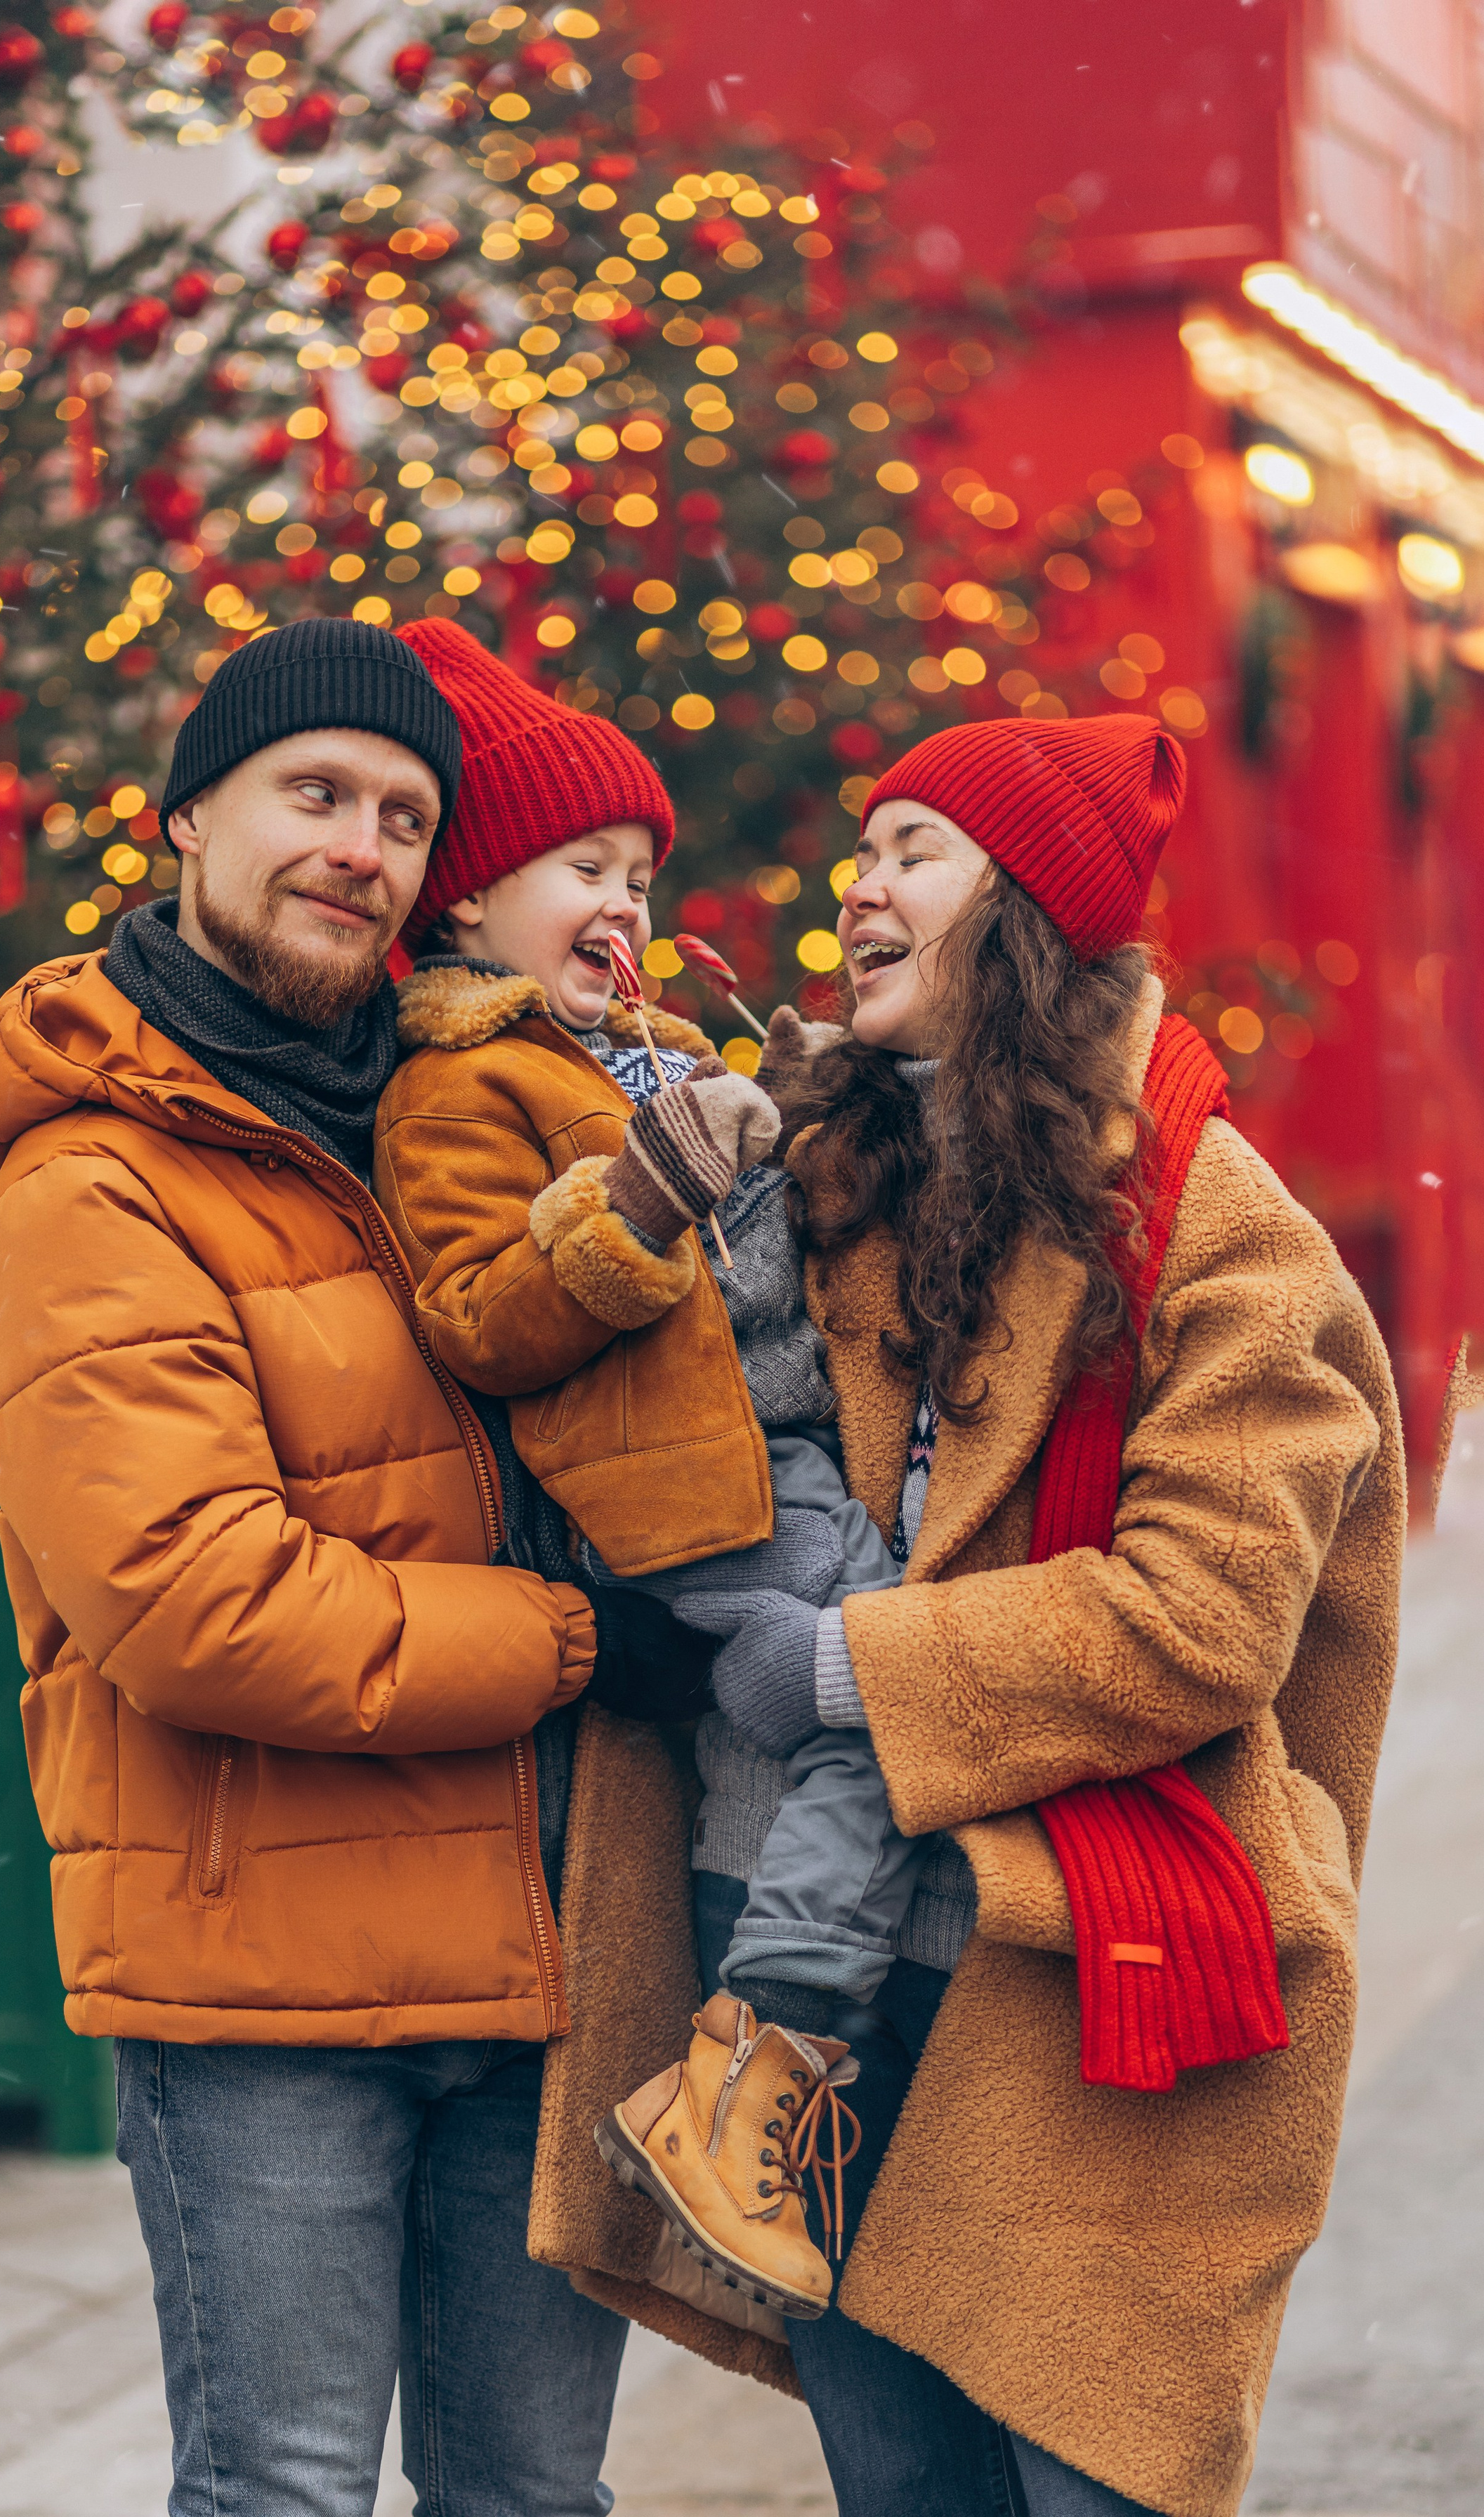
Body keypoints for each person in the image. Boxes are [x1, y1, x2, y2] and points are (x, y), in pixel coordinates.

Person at [562, 709, 1402, 2517]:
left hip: (1077, 1970)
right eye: (858, 851)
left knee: (1089, 2464)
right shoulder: (823, 1169)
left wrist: (849, 1663)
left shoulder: (1213, 1226)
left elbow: (1202, 1619)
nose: (857, 888)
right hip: (807, 1980)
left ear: (1022, 909)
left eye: (911, 850)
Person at [0, 617, 699, 2517]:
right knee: (281, 2488)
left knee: (531, 2497)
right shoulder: (89, 1186)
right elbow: (202, 1604)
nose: (359, 844)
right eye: (314, 793)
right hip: (262, 1991)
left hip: (537, 1949)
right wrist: (581, 1642)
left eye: (402, 814)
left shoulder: (464, 1112)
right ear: (190, 816)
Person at [372, 619, 930, 2327]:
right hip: (690, 1500)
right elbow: (483, 1315)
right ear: (465, 903)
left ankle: (756, 2067)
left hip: (788, 1464)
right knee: (896, 1709)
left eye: (634, 870)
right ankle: (751, 2065)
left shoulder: (652, 1049)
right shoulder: (459, 1085)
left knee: (906, 1690)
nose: (619, 901)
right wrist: (644, 1200)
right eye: (575, 867)